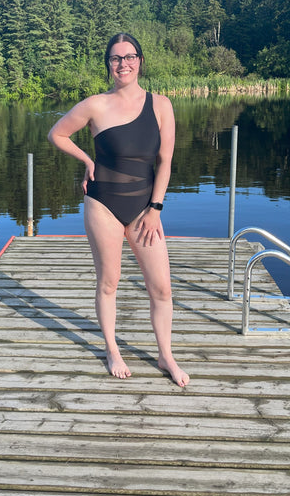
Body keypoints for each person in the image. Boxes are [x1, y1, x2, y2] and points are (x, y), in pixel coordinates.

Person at [48, 33, 190, 387]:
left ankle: (165, 355)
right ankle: (112, 349)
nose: (122, 63)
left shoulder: (161, 105)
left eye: (129, 57)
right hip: (103, 204)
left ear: (140, 60)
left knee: (161, 288)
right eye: (115, 58)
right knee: (108, 282)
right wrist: (85, 159)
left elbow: (166, 161)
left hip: (146, 207)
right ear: (108, 64)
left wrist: (155, 208)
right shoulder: (95, 104)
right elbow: (57, 134)